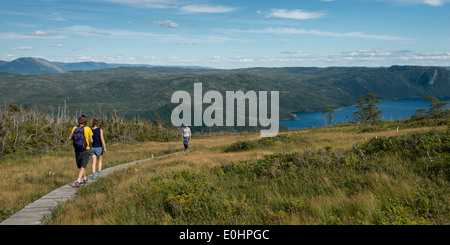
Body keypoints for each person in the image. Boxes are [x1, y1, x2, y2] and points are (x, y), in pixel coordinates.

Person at [68, 115, 93, 188]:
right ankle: (78, 181)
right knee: (83, 166)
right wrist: (90, 144)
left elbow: (70, 138)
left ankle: (85, 179)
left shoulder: (75, 128)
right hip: (85, 149)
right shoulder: (88, 129)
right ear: (85, 122)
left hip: (77, 149)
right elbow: (91, 140)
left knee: (82, 165)